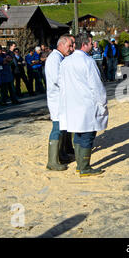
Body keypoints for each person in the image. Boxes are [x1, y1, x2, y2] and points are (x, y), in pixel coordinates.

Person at [59, 33, 108, 177]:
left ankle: (80, 165)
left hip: (71, 103)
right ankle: (84, 166)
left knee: (78, 134)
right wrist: (103, 102)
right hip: (86, 104)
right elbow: (96, 85)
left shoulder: (65, 62)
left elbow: (61, 84)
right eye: (91, 43)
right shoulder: (88, 61)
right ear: (84, 44)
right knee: (87, 135)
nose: (93, 46)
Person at [45, 35, 75, 171]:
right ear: (61, 45)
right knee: (57, 128)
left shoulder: (60, 57)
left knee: (63, 128)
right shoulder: (53, 59)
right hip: (56, 100)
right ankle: (52, 161)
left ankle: (61, 154)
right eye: (69, 46)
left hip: (62, 99)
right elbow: (57, 78)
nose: (71, 48)